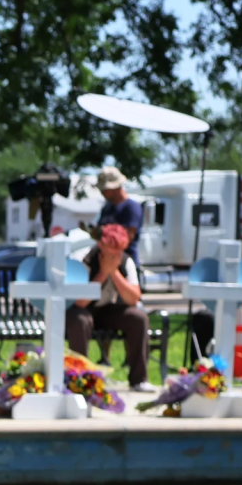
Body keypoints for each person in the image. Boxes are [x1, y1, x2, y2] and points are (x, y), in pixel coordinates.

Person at [67, 223, 152, 390]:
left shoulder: (126, 261)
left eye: (118, 251)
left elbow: (133, 298)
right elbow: (79, 301)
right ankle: (80, 379)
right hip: (82, 309)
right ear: (101, 245)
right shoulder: (84, 258)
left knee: (138, 318)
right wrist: (103, 273)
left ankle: (139, 380)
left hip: (107, 309)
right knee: (80, 320)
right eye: (110, 250)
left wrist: (114, 272)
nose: (115, 255)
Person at [94, 166, 144, 257]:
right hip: (105, 259)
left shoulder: (131, 207)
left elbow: (128, 238)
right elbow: (99, 231)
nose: (102, 193)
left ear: (116, 188)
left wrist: (105, 234)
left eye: (105, 190)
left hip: (123, 260)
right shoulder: (107, 207)